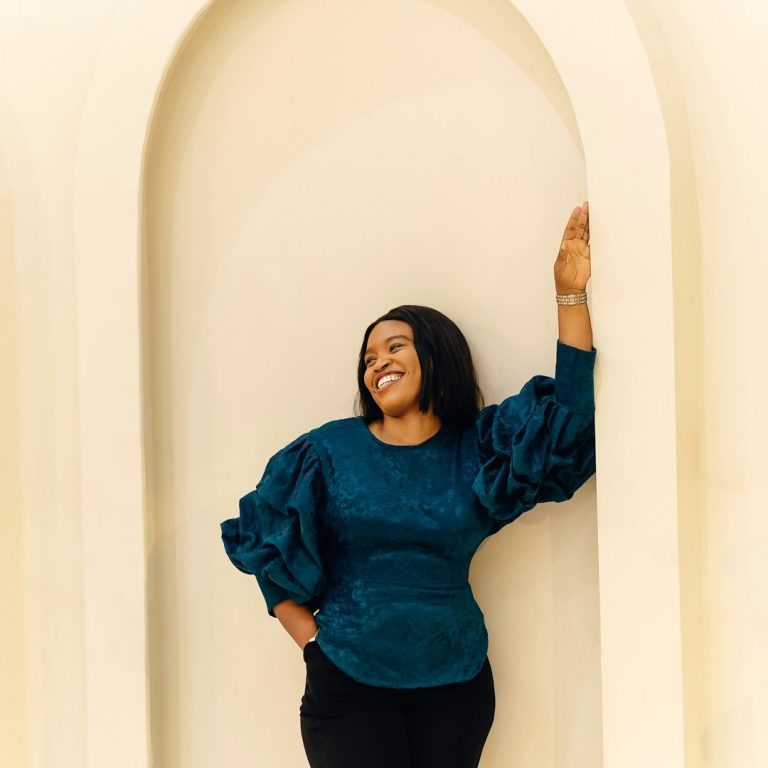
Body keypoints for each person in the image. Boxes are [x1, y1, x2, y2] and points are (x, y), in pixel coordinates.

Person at [220, 202, 596, 768]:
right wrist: (313, 646)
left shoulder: (481, 447)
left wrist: (570, 295)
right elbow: (265, 547)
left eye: (395, 346)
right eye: (369, 357)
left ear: (435, 356)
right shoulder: (327, 451)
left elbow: (570, 418)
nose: (378, 363)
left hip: (457, 682)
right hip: (348, 681)